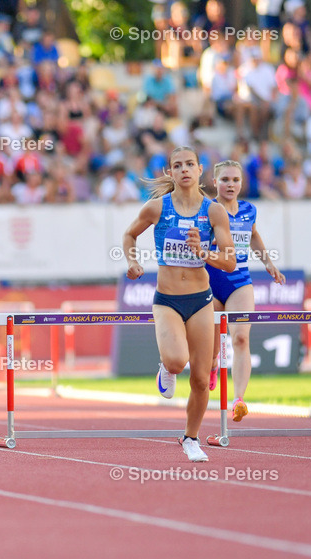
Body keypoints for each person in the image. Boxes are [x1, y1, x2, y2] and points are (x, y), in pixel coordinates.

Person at [123, 146, 236, 462]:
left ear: (200, 170)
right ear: (170, 172)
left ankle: (191, 438)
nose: (184, 169)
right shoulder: (157, 208)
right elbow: (129, 235)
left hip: (201, 300)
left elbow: (229, 261)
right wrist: (132, 262)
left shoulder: (214, 212)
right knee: (176, 361)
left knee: (201, 378)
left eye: (189, 164)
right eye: (177, 165)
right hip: (168, 300)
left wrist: (204, 253)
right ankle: (166, 367)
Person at [205, 160, 285, 421]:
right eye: (225, 180)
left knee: (240, 338)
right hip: (210, 281)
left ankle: (238, 399)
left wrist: (268, 263)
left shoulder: (249, 209)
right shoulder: (207, 209)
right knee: (211, 348)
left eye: (235, 180)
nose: (230, 185)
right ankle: (213, 364)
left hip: (239, 282)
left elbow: (253, 235)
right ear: (215, 182)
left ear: (242, 183)